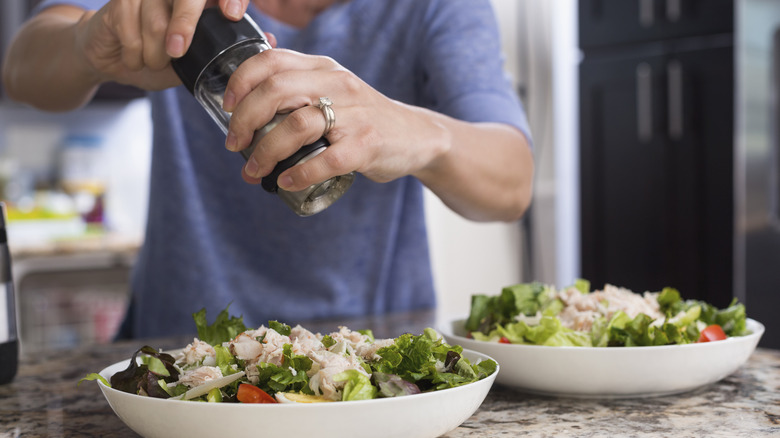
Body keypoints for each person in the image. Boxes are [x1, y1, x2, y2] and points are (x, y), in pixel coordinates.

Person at [1, 0, 534, 339]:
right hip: (178, 354)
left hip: (370, 356)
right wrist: (85, 46)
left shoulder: (433, 8)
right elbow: (22, 67)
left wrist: (415, 132)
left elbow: (512, 182)